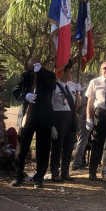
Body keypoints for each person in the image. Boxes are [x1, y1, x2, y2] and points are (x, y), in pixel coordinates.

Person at [11, 57, 56, 188]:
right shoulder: (25, 76)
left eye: (36, 65)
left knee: (43, 149)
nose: (33, 67)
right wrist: (25, 96)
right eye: (32, 65)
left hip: (44, 117)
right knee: (21, 148)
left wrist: (41, 73)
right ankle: (18, 175)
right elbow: (15, 92)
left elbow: (51, 87)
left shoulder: (49, 75)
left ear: (41, 65)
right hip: (27, 116)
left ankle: (39, 177)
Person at [50, 60, 80, 182]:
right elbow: (50, 106)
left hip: (71, 117)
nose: (71, 75)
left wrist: (78, 93)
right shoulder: (54, 86)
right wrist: (52, 125)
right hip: (59, 118)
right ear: (63, 72)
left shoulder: (72, 86)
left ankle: (65, 171)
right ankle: (55, 172)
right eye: (70, 72)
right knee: (58, 146)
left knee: (68, 146)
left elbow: (78, 104)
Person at [72, 74, 95, 171]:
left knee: (83, 140)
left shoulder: (81, 89)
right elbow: (85, 105)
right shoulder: (87, 90)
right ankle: (77, 162)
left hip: (81, 116)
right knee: (82, 141)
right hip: (85, 117)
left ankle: (80, 161)